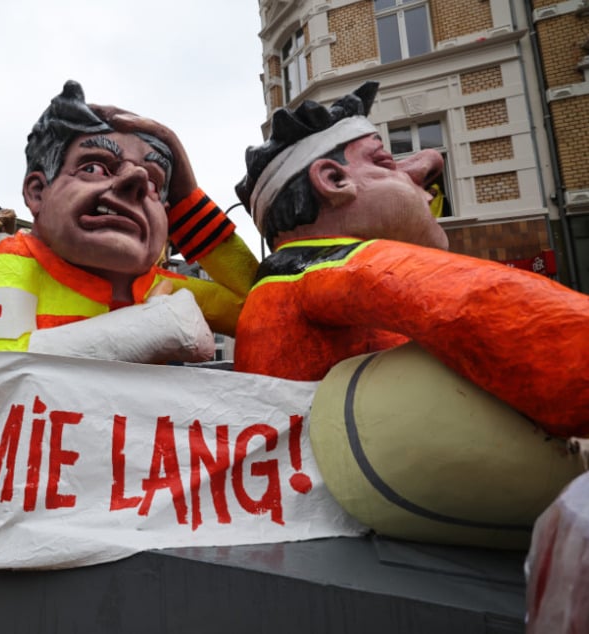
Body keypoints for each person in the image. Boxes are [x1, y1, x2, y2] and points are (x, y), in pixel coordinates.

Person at [233, 81, 589, 439]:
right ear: (334, 180)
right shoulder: (336, 270)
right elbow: (483, 303)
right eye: (385, 161)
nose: (429, 163)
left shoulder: (285, 284)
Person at [0, 80, 257, 364]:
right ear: (37, 192)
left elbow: (261, 307)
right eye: (95, 168)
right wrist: (150, 327)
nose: (137, 179)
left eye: (154, 184)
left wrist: (187, 197)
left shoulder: (160, 285)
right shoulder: (17, 261)